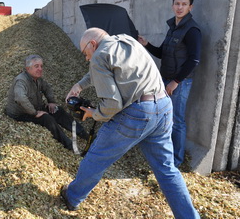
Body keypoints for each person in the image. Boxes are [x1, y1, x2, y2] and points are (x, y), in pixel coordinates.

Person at [60, 27, 200, 219]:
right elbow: (107, 67)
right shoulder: (127, 40)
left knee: (97, 156)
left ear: (93, 44)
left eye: (85, 53)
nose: (86, 59)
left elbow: (112, 104)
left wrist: (93, 114)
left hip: (138, 113)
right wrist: (79, 85)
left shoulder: (99, 56)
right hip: (164, 107)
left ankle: (72, 196)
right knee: (167, 170)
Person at [138, 0, 202, 167]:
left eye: (184, 4)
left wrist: (176, 82)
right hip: (165, 79)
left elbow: (194, 60)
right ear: (172, 5)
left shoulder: (192, 30)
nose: (180, 7)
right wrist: (146, 44)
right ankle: (163, 153)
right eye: (177, 4)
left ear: (190, 7)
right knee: (164, 118)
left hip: (180, 82)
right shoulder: (173, 27)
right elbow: (163, 53)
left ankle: (176, 161)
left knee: (177, 121)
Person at [5, 54, 89, 151]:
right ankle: (70, 145)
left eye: (41, 66)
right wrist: (35, 113)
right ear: (28, 69)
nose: (40, 69)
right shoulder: (21, 81)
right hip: (21, 113)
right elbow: (20, 98)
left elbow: (47, 88)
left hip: (36, 106)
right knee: (47, 119)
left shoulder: (37, 78)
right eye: (36, 66)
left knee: (58, 110)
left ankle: (83, 134)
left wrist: (51, 102)